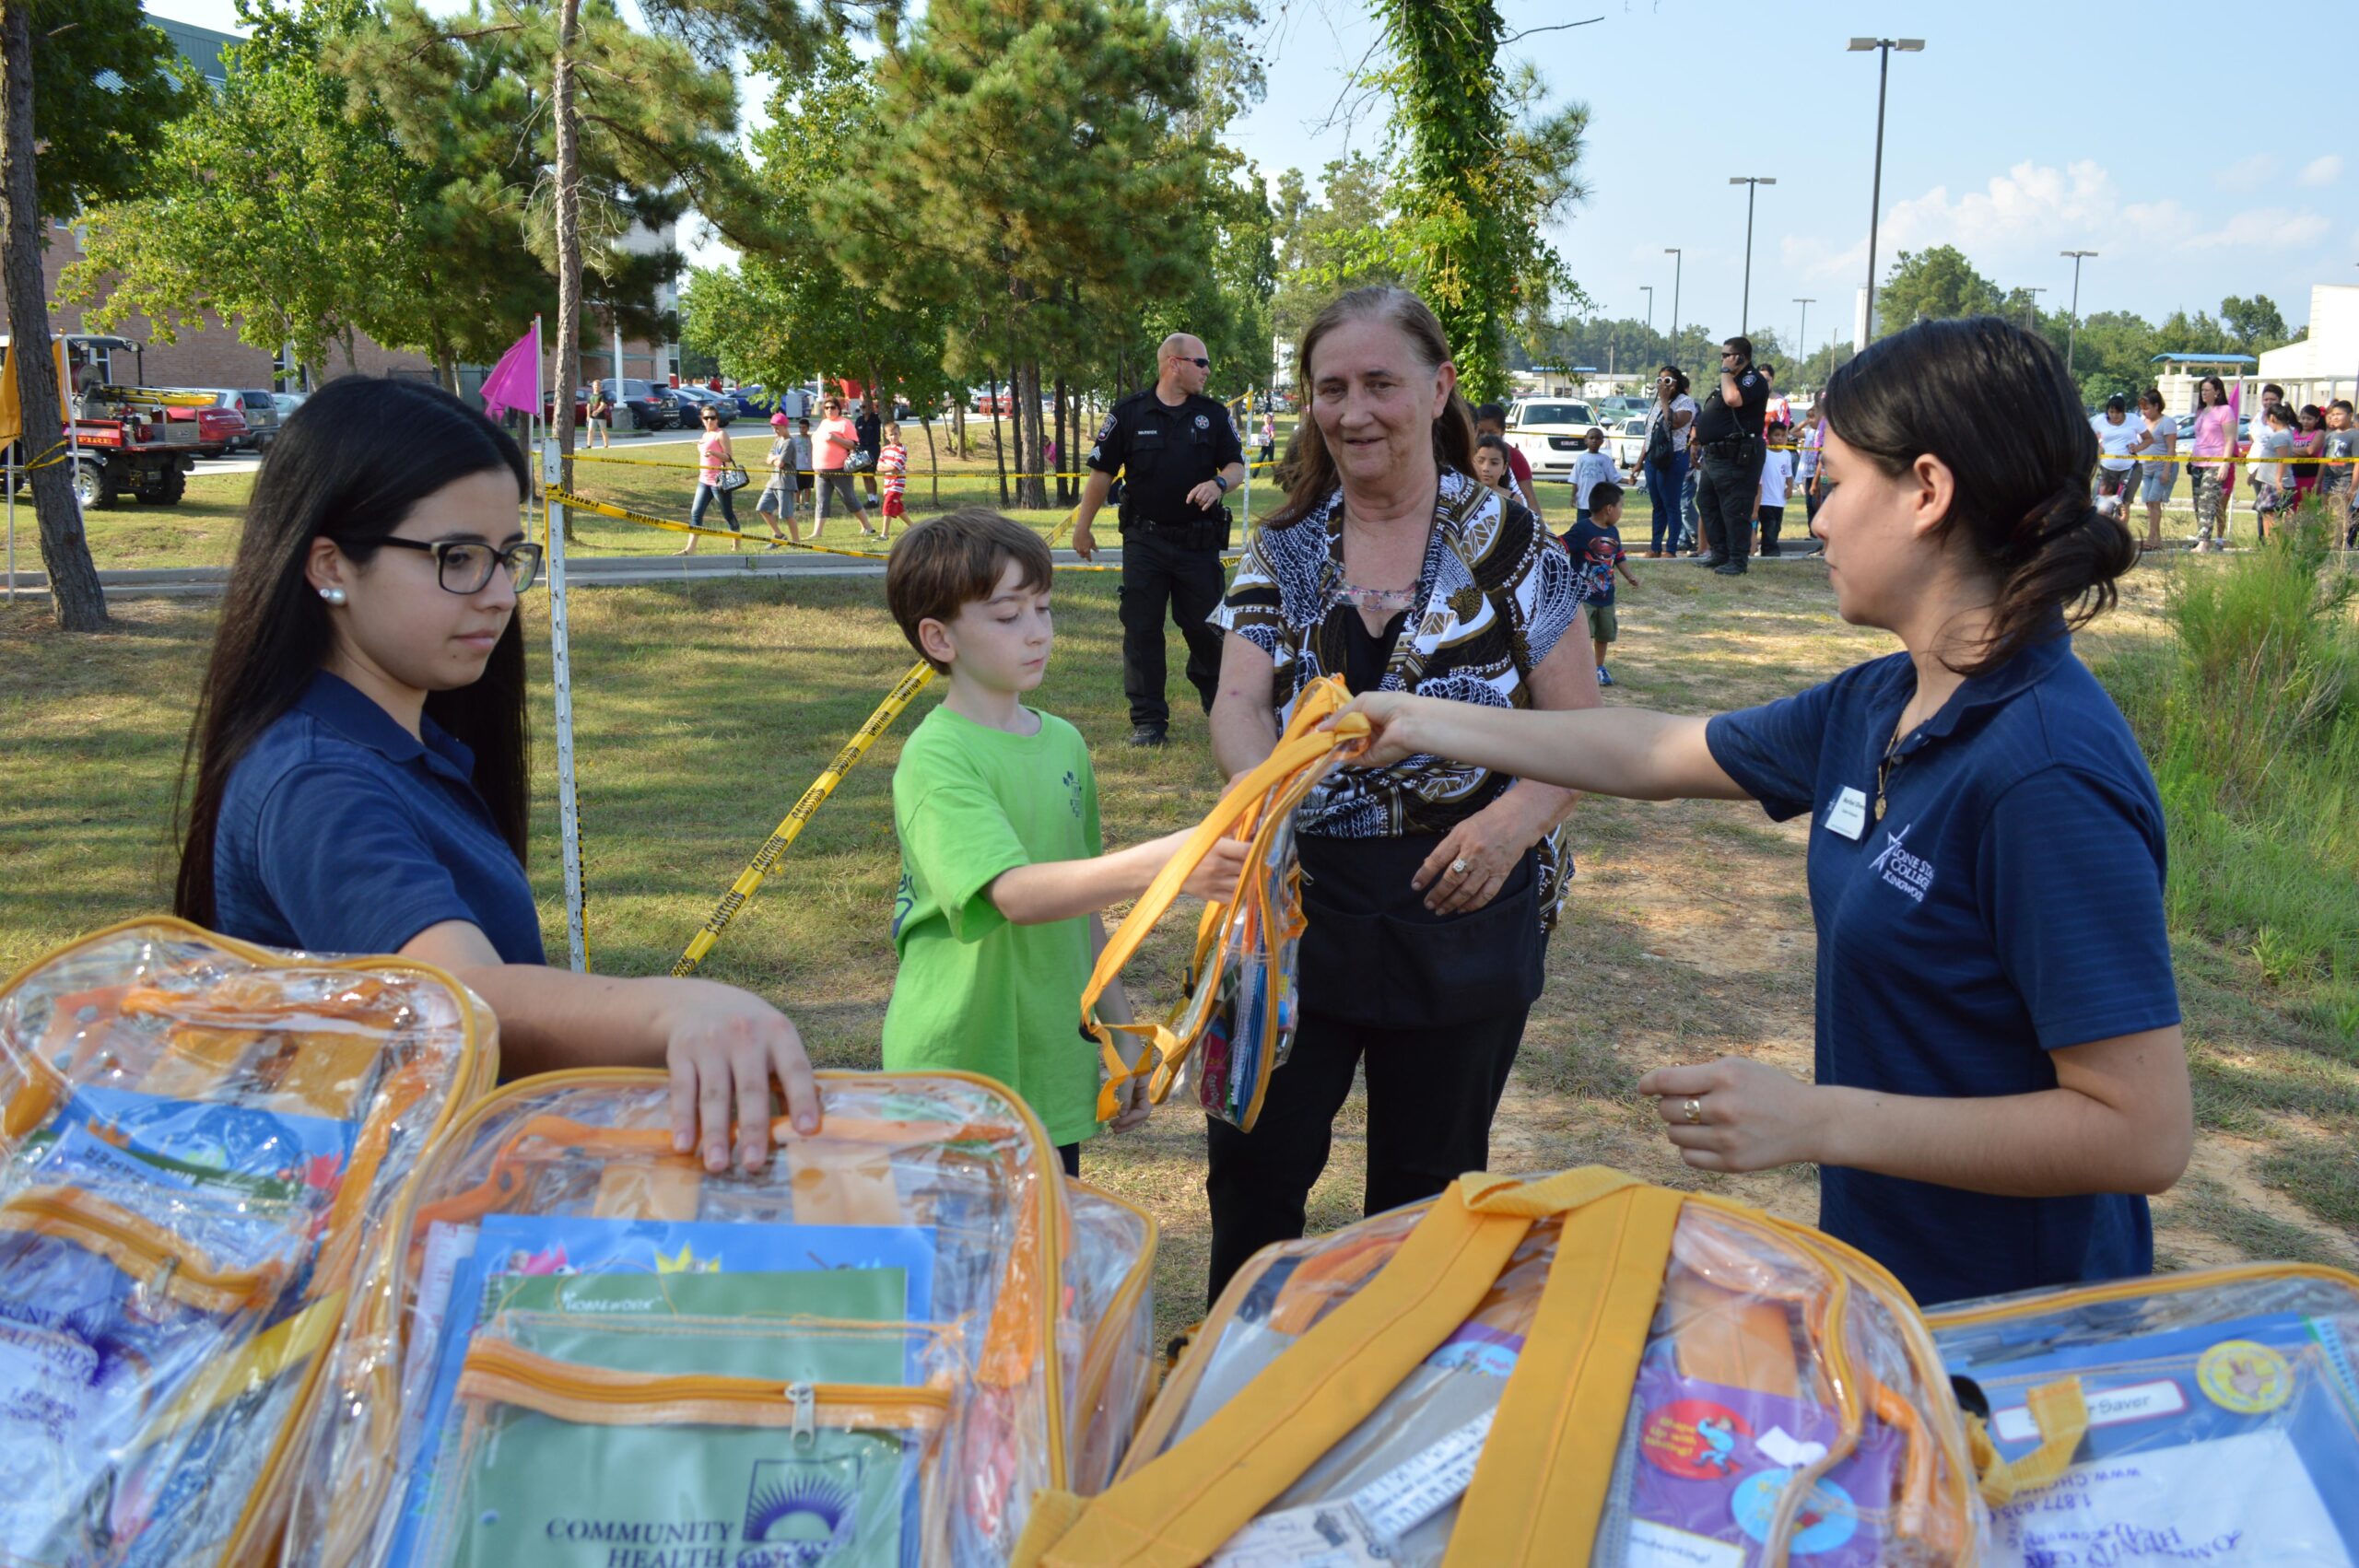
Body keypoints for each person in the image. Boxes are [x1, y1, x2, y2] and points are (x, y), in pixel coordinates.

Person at [1340, 315, 2191, 1308]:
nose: (1816, 518)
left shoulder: (2042, 773)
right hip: (1894, 1289)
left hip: (2019, 1333)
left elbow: (2141, 1130)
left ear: (1927, 490)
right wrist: (1421, 719)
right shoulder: (1880, 703)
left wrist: (1818, 1120)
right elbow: (1649, 751)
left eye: (1832, 483)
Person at [176, 378, 822, 1176]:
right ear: (329, 565)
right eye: (457, 559)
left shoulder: (402, 743)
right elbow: (456, 1001)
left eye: (507, 557)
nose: (500, 595)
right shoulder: (317, 781)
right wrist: (673, 1008)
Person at [1202, 285, 1593, 1304]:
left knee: (1426, 1193)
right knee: (1253, 1172)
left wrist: (1511, 825)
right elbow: (1236, 701)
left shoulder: (1511, 543)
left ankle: (1391, 1396)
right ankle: (1235, 1389)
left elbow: (1582, 729)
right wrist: (1266, 799)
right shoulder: (1284, 546)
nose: (1353, 410)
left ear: (1438, 388)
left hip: (1462, 903)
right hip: (1293, 908)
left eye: (1380, 382)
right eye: (1330, 387)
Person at [880, 511, 1250, 1176]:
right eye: (1006, 615)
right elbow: (1016, 895)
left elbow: (1083, 909)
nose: (1038, 632)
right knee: (963, 1272)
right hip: (959, 1071)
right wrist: (1167, 863)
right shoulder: (937, 758)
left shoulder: (1065, 744)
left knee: (1044, 1265)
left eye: (1043, 609)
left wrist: (1122, 1036)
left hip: (1051, 1061)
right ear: (938, 638)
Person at [1070, 333, 1247, 748]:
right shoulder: (1129, 413)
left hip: (1197, 543)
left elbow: (1237, 465)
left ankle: (1218, 702)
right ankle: (1149, 722)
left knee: (1205, 628)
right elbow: (1101, 473)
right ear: (1174, 363)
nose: (1208, 371)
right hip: (1144, 540)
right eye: (1201, 363)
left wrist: (1219, 483)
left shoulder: (1213, 415)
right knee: (1142, 628)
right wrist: (1083, 525)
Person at [1694, 335, 1771, 574]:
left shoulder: (1752, 379)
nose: (1723, 360)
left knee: (1734, 507)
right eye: (1723, 355)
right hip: (1715, 455)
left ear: (1741, 357)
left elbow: (1732, 399)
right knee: (1706, 501)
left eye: (1727, 355)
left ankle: (1737, 560)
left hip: (1737, 455)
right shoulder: (1730, 379)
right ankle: (1720, 553)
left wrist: (1726, 371)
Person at [1565, 480, 1637, 686]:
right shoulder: (1582, 529)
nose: (1621, 511)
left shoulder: (1613, 532)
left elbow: (1619, 556)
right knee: (1583, 634)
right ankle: (1581, 668)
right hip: (1583, 597)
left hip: (1607, 596)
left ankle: (1598, 667)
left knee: (1604, 634)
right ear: (1609, 508)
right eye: (1621, 506)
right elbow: (1560, 545)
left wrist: (1629, 576)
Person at [1639, 366, 1697, 557]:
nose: (1663, 384)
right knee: (1657, 505)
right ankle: (1655, 547)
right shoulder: (1656, 403)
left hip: (1673, 459)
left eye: (1668, 381)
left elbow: (1673, 422)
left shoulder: (1685, 402)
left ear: (1677, 383)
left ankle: (1670, 548)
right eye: (1660, 380)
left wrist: (1664, 400)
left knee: (1671, 504)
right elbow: (1650, 436)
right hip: (1653, 458)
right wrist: (1640, 462)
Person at [677, 405, 742, 556]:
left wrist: (714, 453)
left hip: (719, 481)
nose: (709, 421)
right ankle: (690, 549)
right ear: (702, 419)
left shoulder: (721, 434)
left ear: (717, 419)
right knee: (696, 513)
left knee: (727, 514)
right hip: (704, 480)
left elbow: (729, 457)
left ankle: (736, 543)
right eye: (706, 418)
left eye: (712, 417)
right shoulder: (705, 435)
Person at [812, 395, 875, 539]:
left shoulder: (844, 423)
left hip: (840, 469)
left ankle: (867, 526)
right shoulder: (823, 423)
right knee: (821, 501)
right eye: (826, 408)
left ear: (839, 409)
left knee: (849, 499)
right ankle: (817, 533)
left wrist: (835, 439)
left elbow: (854, 444)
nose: (829, 410)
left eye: (832, 407)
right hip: (821, 470)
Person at [2189, 375, 2237, 551]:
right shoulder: (2201, 411)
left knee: (2208, 500)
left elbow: (2230, 438)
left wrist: (2225, 463)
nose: (2204, 393)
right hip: (2197, 461)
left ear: (2217, 392)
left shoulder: (2225, 410)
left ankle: (2204, 541)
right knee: (2197, 501)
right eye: (2202, 390)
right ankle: (2202, 536)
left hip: (2215, 461)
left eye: (2207, 390)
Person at [1472, 403, 1543, 521]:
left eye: (1491, 432)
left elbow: (1530, 496)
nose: (1485, 437)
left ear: (1502, 431)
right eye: (1481, 432)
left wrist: (1539, 527)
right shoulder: (1468, 453)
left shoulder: (1515, 456)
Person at [2128, 389, 2176, 553]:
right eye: (2142, 408)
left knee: (2155, 501)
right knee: (2149, 503)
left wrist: (2166, 471)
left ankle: (2151, 538)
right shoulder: (2142, 421)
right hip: (2145, 467)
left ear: (2156, 406)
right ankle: (2157, 538)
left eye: (2147, 408)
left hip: (2162, 467)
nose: (2144, 411)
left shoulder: (2167, 422)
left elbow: (2171, 449)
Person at [2090, 394, 2143, 521]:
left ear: (2124, 411)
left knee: (2123, 506)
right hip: (2106, 468)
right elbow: (2088, 438)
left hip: (2129, 468)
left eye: (2118, 412)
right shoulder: (2099, 420)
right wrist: (2098, 447)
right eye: (2111, 412)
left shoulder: (2133, 420)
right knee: (2097, 503)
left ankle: (2121, 535)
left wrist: (2137, 448)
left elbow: (2149, 439)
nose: (2114, 415)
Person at [2248, 404, 2294, 542]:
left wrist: (2278, 480)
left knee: (2271, 513)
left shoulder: (2280, 436)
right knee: (2266, 512)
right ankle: (2270, 543)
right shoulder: (2283, 435)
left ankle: (2273, 543)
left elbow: (2282, 459)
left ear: (2273, 418)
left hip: (2274, 483)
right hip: (2270, 480)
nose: (2267, 423)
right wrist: (2254, 474)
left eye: (2267, 419)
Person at [754, 411, 796, 546]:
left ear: (785, 427)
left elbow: (781, 463)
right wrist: (774, 459)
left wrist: (774, 459)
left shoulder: (789, 443)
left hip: (785, 483)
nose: (775, 430)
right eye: (773, 427)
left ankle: (797, 542)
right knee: (762, 508)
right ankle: (779, 536)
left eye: (777, 427)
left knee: (787, 514)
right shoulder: (777, 441)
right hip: (773, 482)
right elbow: (769, 458)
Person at [1754, 421, 1795, 556]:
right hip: (1765, 499)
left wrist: (1789, 488)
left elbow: (1789, 475)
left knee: (1776, 526)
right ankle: (1770, 550)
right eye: (1777, 435)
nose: (1780, 438)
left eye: (1783, 435)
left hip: (1779, 499)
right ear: (1769, 436)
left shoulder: (1787, 454)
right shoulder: (1764, 453)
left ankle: (1768, 547)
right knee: (1769, 525)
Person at [2320, 400, 2356, 547]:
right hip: (2328, 479)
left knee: (2339, 514)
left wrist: (2353, 487)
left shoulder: (2355, 435)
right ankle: (2325, 542)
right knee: (2325, 512)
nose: (2335, 417)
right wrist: (2318, 481)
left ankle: (2337, 545)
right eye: (2333, 414)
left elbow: (2357, 462)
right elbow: (2323, 460)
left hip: (2344, 479)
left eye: (2339, 414)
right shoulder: (2330, 436)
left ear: (2350, 415)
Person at [1569, 426, 1619, 529]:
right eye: (1591, 438)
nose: (1594, 441)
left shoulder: (1605, 459)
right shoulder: (1581, 459)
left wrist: (1629, 481)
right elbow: (1575, 479)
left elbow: (1614, 477)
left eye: (1597, 438)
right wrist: (1573, 496)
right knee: (1582, 527)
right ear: (1585, 440)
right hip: (1583, 501)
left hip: (1599, 502)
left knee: (1598, 527)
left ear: (1602, 441)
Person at [1795, 401, 1829, 552]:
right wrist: (1806, 420)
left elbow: (1822, 462)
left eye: (1813, 417)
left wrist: (1817, 483)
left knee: (1821, 501)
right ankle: (1812, 531)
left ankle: (1821, 535)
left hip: (1822, 476)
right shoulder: (1810, 433)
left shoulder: (1823, 435)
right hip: (1810, 474)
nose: (1810, 421)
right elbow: (1793, 431)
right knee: (1810, 503)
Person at [2288, 404, 2325, 510]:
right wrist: (2301, 451)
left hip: (2310, 477)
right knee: (2293, 510)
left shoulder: (2319, 433)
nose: (2305, 421)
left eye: (2309, 419)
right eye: (2303, 418)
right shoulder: (2295, 432)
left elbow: (2310, 450)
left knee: (2308, 510)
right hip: (2293, 476)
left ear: (2317, 419)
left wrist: (2292, 451)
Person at [877, 422, 910, 539]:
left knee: (887, 506)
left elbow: (896, 467)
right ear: (886, 436)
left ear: (900, 434)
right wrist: (888, 469)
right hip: (887, 483)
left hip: (897, 484)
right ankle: (914, 527)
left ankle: (884, 535)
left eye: (896, 434)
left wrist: (887, 468)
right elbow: (878, 467)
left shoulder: (902, 449)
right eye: (891, 434)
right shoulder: (884, 449)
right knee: (899, 509)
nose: (893, 437)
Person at [1471, 432, 1517, 502]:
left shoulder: (1514, 500)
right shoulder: (1462, 496)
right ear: (1472, 463)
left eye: (1494, 463)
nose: (1486, 468)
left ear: (1504, 468)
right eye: (1480, 461)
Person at [792, 417, 817, 539]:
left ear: (808, 428)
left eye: (804, 427)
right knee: (797, 487)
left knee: (808, 486)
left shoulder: (811, 439)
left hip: (809, 467)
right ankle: (797, 503)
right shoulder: (795, 439)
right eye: (800, 427)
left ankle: (806, 502)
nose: (802, 430)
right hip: (798, 467)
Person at [855, 398, 884, 502]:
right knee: (864, 475)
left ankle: (875, 499)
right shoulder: (859, 420)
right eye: (861, 407)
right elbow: (856, 435)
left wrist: (877, 406)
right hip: (862, 449)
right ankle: (869, 498)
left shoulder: (875, 419)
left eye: (865, 406)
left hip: (873, 448)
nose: (863, 409)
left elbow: (882, 414)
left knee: (870, 475)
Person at [586, 382, 614, 450]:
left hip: (601, 417)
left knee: (603, 431)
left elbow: (603, 405)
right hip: (592, 417)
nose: (596, 387)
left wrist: (597, 411)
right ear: (593, 386)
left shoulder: (602, 396)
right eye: (595, 385)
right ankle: (589, 445)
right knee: (590, 431)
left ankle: (606, 446)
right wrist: (588, 415)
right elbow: (588, 406)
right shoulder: (590, 396)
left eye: (598, 385)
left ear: (600, 387)